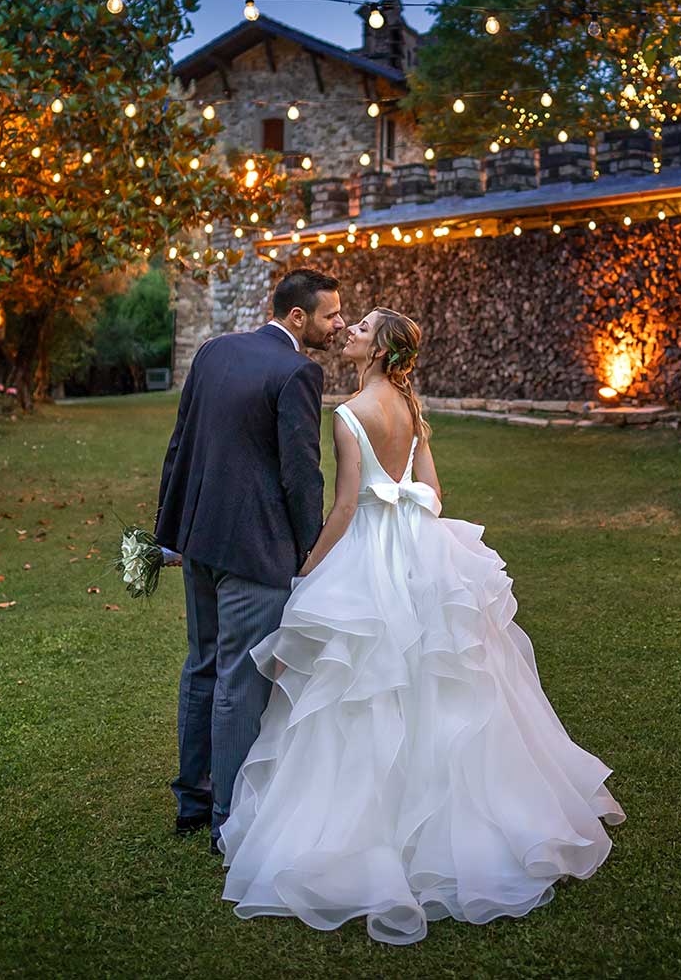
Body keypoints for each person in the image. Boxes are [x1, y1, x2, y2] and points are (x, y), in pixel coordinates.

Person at [217, 307, 624, 945]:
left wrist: (307, 570)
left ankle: (370, 835)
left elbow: (347, 505)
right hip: (421, 549)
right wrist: (408, 507)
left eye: (360, 328)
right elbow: (433, 493)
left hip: (370, 551)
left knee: (366, 685)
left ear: (378, 351)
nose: (348, 331)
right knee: (441, 682)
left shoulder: (350, 413)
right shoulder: (411, 408)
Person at [155, 268, 344, 847]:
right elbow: (300, 474)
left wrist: (171, 531)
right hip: (254, 551)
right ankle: (229, 822)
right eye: (331, 315)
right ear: (297, 317)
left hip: (200, 540)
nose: (338, 325)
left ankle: (192, 800)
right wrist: (310, 550)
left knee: (203, 665)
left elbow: (181, 443)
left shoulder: (214, 352)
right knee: (240, 679)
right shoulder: (298, 371)